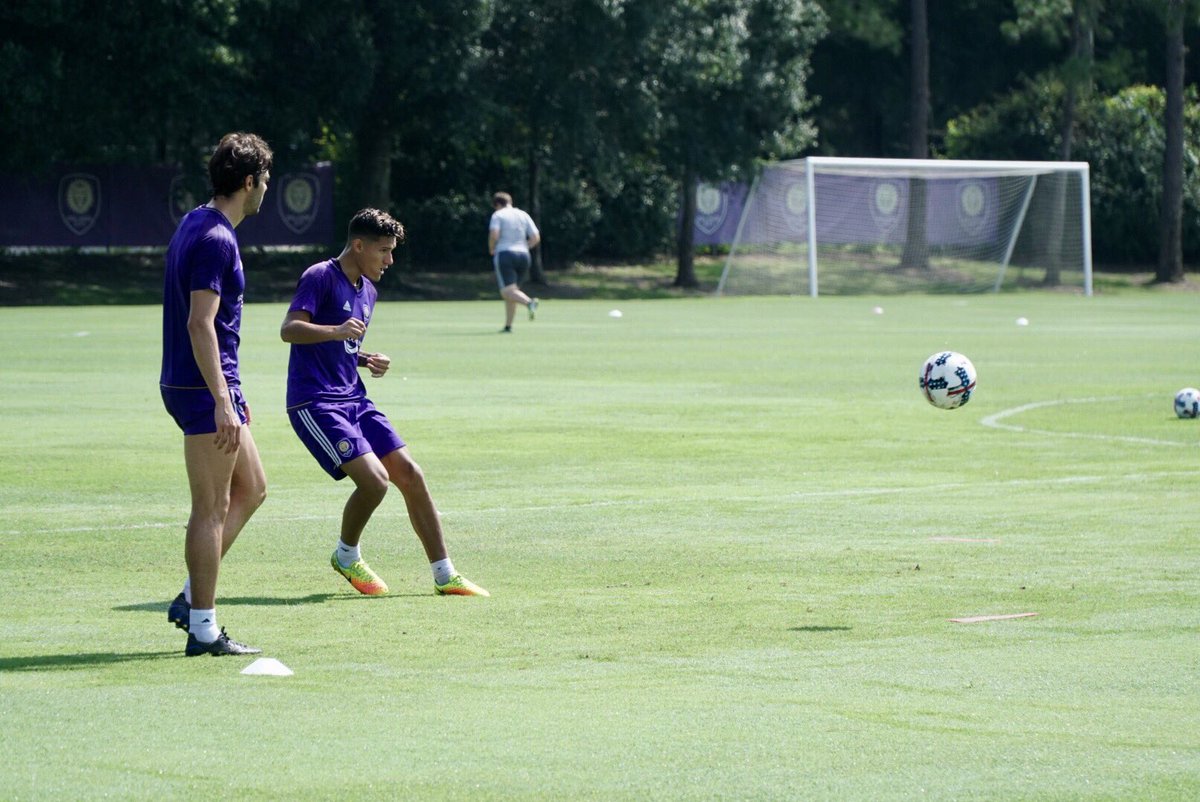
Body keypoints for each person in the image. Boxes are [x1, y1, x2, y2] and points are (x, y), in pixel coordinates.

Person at [281, 208, 489, 598]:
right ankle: (346, 555)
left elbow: (341, 345)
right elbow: (290, 329)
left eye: (392, 251)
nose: (390, 261)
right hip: (316, 401)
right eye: (383, 251)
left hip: (354, 397)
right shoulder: (320, 276)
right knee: (376, 481)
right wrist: (337, 329)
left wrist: (364, 358)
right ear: (358, 245)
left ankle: (446, 575)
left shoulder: (368, 290)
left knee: (410, 473)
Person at [160, 132, 273, 656]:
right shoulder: (216, 238)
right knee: (210, 507)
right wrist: (223, 400)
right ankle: (203, 629)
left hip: (212, 383)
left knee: (252, 487)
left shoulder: (196, 221)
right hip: (204, 387)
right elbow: (200, 323)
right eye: (265, 180)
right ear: (249, 182)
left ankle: (189, 597)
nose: (266, 190)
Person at [487, 191, 540, 332]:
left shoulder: (498, 215)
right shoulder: (523, 214)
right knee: (512, 291)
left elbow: (494, 234)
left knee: (506, 292)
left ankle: (529, 303)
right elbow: (535, 236)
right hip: (524, 255)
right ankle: (508, 325)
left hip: (505, 253)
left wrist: (492, 247)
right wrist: (525, 246)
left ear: (497, 204)